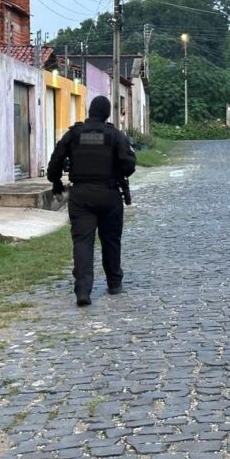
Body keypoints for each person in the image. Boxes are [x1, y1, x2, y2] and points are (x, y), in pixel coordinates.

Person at [47, 95, 136, 307]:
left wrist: (55, 179)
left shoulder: (74, 134)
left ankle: (83, 291)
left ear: (89, 112)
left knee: (82, 242)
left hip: (81, 196)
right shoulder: (114, 135)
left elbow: (56, 159)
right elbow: (129, 165)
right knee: (111, 240)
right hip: (109, 194)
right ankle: (114, 283)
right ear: (106, 114)